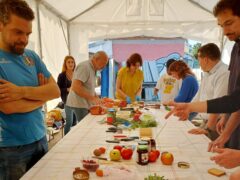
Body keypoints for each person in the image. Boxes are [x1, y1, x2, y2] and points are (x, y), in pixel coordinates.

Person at [0, 0, 60, 179]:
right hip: (11, 149)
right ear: (1, 25)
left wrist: (20, 92)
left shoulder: (31, 56)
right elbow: (8, 107)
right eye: (18, 32)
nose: (24, 39)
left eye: (28, 33)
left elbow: (55, 91)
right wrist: (41, 96)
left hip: (41, 138)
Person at [188, 43, 229, 140]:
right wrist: (185, 109)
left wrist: (208, 129)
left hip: (216, 124)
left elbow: (218, 104)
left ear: (205, 59)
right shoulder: (207, 73)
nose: (199, 63)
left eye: (199, 60)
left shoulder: (224, 72)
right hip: (207, 122)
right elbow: (198, 97)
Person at [64, 51, 108, 135]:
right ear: (95, 59)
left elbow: (89, 86)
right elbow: (76, 86)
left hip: (84, 103)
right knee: (85, 128)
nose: (103, 66)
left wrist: (96, 97)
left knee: (87, 127)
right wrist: (92, 98)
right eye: (103, 64)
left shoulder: (92, 68)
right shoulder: (84, 67)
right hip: (79, 103)